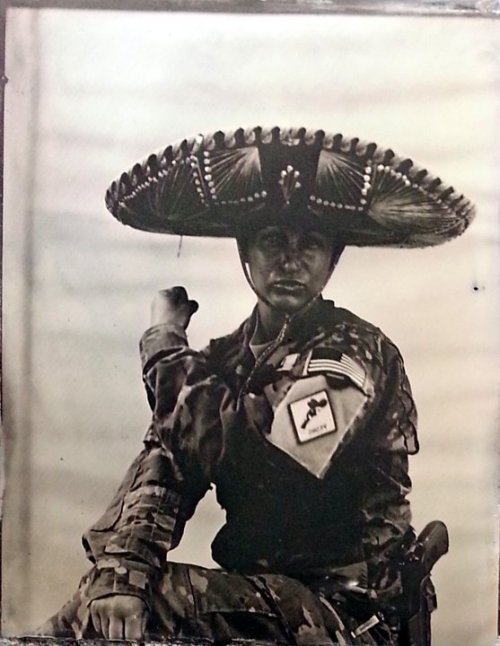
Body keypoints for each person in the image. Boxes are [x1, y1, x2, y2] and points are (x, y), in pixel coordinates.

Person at [38, 127, 474, 645]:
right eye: (272, 240)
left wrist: (164, 347)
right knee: (97, 601)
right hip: (263, 599)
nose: (290, 260)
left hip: (350, 612)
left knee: (159, 600)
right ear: (245, 252)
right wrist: (121, 572)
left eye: (310, 243)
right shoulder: (219, 363)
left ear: (333, 258)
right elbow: (166, 466)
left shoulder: (356, 354)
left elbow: (263, 453)